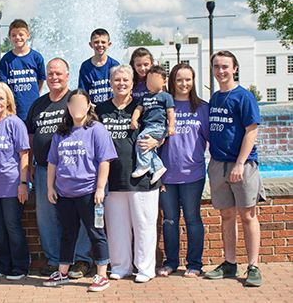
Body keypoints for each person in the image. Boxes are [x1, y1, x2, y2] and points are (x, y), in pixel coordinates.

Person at [43, 89, 117, 292]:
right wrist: (50, 187)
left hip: (89, 192)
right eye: (72, 103)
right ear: (68, 107)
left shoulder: (96, 129)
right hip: (65, 193)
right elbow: (52, 163)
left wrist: (100, 188)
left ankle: (102, 274)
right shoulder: (61, 132)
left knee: (96, 232)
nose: (76, 107)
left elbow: (105, 161)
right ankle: (63, 272)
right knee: (68, 234)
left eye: (80, 103)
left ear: (88, 106)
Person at [26, 58, 93, 278]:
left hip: (75, 171)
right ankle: (55, 259)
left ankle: (82, 260)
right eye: (50, 74)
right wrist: (31, 166)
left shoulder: (75, 99)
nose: (54, 77)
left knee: (82, 216)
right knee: (47, 217)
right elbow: (31, 136)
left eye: (59, 73)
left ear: (67, 75)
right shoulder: (39, 104)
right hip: (45, 169)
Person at [96, 64, 162, 283]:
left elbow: (160, 127)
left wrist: (158, 140)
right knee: (116, 226)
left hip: (141, 177)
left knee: (144, 224)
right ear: (110, 83)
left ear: (133, 83)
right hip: (112, 178)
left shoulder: (143, 107)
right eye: (117, 80)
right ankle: (120, 266)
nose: (121, 83)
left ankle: (145, 268)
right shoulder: (101, 109)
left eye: (125, 80)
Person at [204, 51, 264, 287]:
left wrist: (240, 163)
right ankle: (229, 263)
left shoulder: (244, 97)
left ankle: (253, 266)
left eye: (225, 67)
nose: (221, 71)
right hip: (219, 164)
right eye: (217, 67)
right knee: (226, 216)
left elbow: (252, 131)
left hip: (242, 165)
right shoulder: (215, 98)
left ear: (235, 68)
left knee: (248, 216)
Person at [157, 64, 209, 277]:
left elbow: (211, 141)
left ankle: (194, 264)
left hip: (193, 175)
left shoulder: (202, 108)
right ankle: (171, 262)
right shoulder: (162, 107)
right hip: (167, 176)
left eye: (188, 79)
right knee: (169, 220)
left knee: (192, 218)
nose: (184, 84)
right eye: (179, 80)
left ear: (193, 81)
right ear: (172, 81)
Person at [0, 83, 31, 281]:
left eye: (1, 98)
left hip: (12, 184)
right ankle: (2, 265)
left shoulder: (15, 123)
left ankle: (20, 266)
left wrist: (23, 183)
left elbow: (24, 154)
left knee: (12, 225)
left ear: (8, 100)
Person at [130, 65, 175, 183]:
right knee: (148, 148)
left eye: (154, 81)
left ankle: (144, 165)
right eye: (148, 81)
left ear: (164, 81)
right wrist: (134, 120)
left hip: (158, 126)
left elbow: (170, 112)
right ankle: (158, 167)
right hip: (147, 126)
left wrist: (171, 126)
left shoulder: (166, 96)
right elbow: (138, 109)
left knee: (141, 140)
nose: (150, 84)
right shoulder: (145, 96)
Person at [0, 19, 46, 121]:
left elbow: (41, 80)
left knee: (31, 135)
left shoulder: (36, 57)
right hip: (14, 108)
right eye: (14, 35)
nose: (17, 37)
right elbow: (3, 86)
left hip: (33, 106)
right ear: (9, 37)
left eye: (21, 34)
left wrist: (36, 94)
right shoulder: (6, 60)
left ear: (28, 35)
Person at [78, 28, 119, 104]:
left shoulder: (115, 65)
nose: (100, 45)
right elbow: (82, 92)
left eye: (103, 42)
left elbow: (119, 88)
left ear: (109, 44)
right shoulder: (85, 67)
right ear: (91, 45)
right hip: (93, 109)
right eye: (96, 42)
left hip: (111, 109)